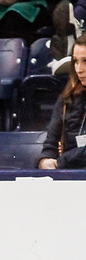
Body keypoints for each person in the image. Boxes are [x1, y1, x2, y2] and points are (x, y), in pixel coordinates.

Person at [38, 34, 86, 169]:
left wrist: (61, 162)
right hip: (68, 174)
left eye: (85, 61)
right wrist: (45, 160)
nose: (79, 69)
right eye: (76, 61)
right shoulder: (68, 97)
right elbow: (51, 143)